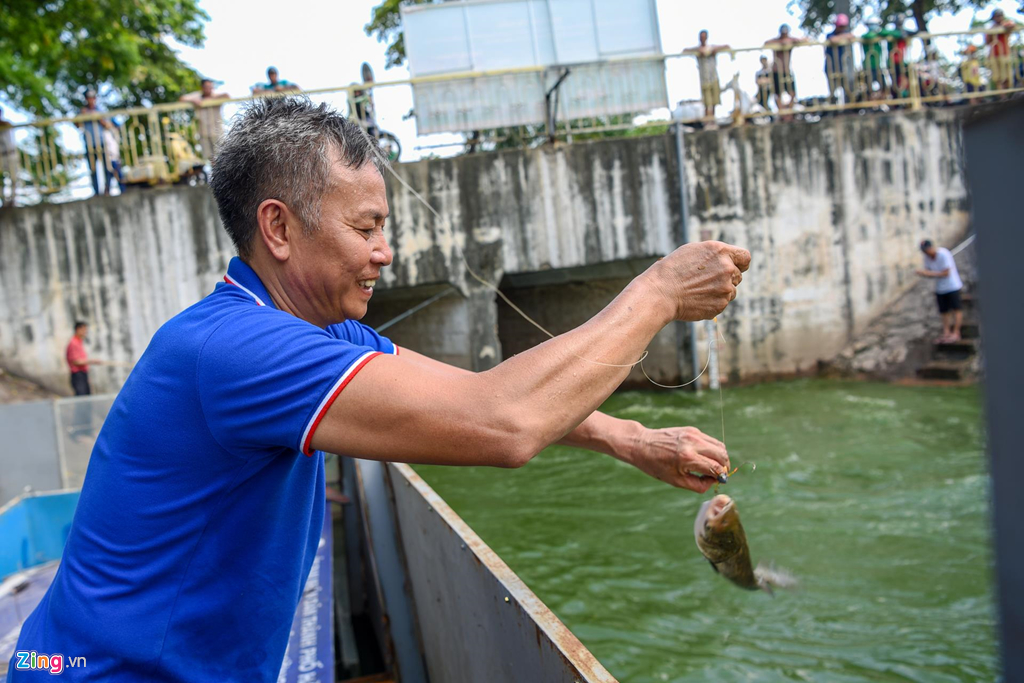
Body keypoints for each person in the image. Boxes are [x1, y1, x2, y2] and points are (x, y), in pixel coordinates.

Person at [7, 97, 750, 682]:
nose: (385, 252)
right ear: (279, 226)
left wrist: (632, 437)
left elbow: (470, 392)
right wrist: (658, 292)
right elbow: (505, 421)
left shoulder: (319, 335)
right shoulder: (236, 349)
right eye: (366, 226)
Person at [916, 239, 964, 343]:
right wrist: (924, 273)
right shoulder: (927, 258)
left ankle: (956, 332)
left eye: (926, 250)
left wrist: (930, 273)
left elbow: (946, 273)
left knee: (956, 309)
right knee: (944, 312)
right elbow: (929, 272)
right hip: (940, 288)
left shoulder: (943, 254)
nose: (925, 252)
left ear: (931, 247)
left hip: (952, 286)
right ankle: (946, 333)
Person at [683, 30, 731, 123]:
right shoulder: (698, 50)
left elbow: (726, 46)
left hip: (713, 77)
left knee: (714, 101)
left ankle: (712, 119)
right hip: (704, 79)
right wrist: (698, 52)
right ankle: (707, 120)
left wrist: (715, 50)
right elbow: (685, 50)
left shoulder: (711, 48)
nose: (702, 39)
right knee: (706, 101)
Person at [78, 89, 118, 196]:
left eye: (93, 97)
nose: (91, 100)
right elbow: (77, 124)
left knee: (107, 167)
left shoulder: (101, 110)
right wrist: (82, 115)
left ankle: (107, 189)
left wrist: (98, 117)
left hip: (102, 142)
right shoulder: (82, 111)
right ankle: (96, 192)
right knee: (93, 168)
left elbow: (109, 124)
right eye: (89, 98)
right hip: (90, 143)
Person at [179, 77, 231, 160]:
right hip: (203, 132)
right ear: (202, 87)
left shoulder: (216, 95)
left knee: (222, 156)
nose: (209, 89)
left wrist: (211, 100)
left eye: (210, 87)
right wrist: (193, 100)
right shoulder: (197, 95)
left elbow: (227, 96)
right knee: (210, 158)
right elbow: (182, 98)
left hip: (217, 132)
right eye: (207, 87)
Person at [765, 25, 807, 114]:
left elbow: (804, 40)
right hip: (776, 71)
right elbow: (766, 43)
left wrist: (790, 42)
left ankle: (789, 112)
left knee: (792, 93)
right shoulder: (775, 41)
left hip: (787, 71)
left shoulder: (791, 40)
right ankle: (782, 113)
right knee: (778, 94)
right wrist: (781, 44)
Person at [824, 14, 856, 105]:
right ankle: (834, 108)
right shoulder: (830, 35)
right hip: (831, 66)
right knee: (832, 89)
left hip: (842, 66)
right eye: (840, 26)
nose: (842, 28)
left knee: (847, 87)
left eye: (844, 26)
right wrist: (844, 37)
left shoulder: (845, 34)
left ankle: (849, 107)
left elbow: (852, 36)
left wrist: (844, 36)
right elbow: (833, 40)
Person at [985, 9, 1020, 91]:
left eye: (1000, 16)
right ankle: (1002, 96)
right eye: (996, 16)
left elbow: (1012, 25)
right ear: (993, 18)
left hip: (1005, 54)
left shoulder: (1006, 24)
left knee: (1007, 76)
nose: (998, 18)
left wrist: (1002, 27)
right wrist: (994, 30)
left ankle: (1008, 94)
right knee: (998, 77)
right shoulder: (990, 28)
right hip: (994, 55)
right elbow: (987, 41)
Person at [861, 18, 888, 99]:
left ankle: (882, 103)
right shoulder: (866, 36)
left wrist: (879, 32)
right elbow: (868, 36)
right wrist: (877, 34)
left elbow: (886, 32)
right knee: (868, 88)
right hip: (868, 66)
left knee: (884, 86)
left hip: (877, 66)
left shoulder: (878, 34)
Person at [66, 321, 94, 396]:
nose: (85, 332)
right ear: (78, 329)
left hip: (82, 374)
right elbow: (75, 361)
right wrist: (91, 361)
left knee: (87, 396)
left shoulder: (79, 342)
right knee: (82, 397)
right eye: (84, 330)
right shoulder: (73, 343)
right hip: (78, 375)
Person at [0, 106, 17, 207]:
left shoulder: (7, 124)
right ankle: (3, 200)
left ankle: (13, 199)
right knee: (1, 179)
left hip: (10, 153)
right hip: (1, 155)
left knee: (13, 178)